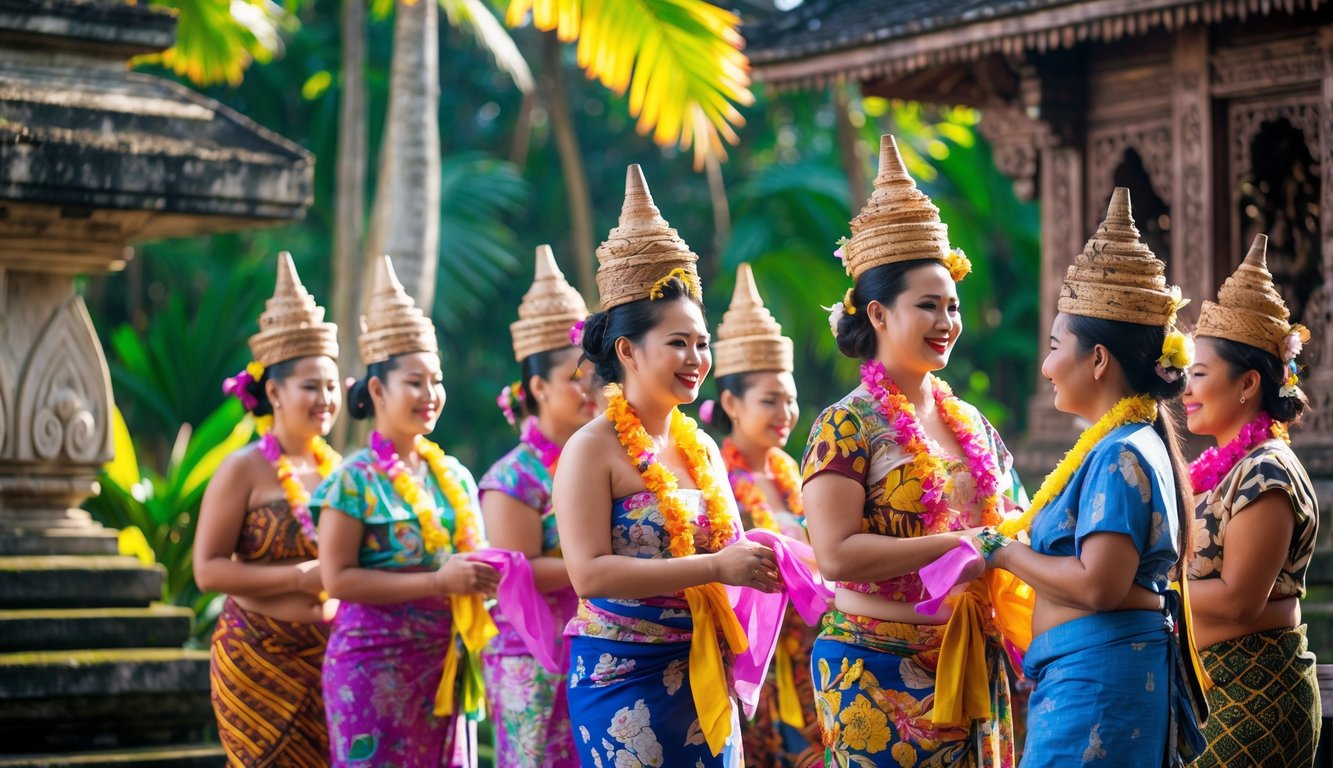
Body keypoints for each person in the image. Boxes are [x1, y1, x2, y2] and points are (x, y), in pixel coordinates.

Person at [556, 165, 782, 768]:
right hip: (621, 680)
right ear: (628, 350)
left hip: (702, 665)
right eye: (678, 342)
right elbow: (589, 575)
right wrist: (715, 565)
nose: (696, 358)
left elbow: (735, 547)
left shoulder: (703, 447)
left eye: (702, 343)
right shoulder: (591, 448)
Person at [801, 135, 1016, 767]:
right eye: (928, 305)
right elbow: (836, 555)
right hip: (873, 673)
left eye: (953, 305)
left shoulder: (972, 422)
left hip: (972, 656)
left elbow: (1010, 525)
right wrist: (961, 547)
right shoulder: (846, 425)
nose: (948, 320)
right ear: (879, 313)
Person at [980, 188, 1205, 766]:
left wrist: (1000, 551)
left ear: (1099, 359)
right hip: (1091, 672)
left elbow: (1099, 586)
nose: (1047, 364)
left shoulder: (1120, 453)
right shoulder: (1123, 442)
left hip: (1098, 681)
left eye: (1056, 346)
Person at [312, 256, 500, 767]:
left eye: (436, 381)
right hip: (373, 670)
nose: (430, 395)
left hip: (446, 663)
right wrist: (439, 583)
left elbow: (475, 559)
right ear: (377, 390)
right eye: (414, 382)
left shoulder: (455, 475)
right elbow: (338, 579)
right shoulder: (353, 480)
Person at [196, 252, 341, 767]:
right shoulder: (243, 469)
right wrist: (301, 578)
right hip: (255, 659)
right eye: (310, 386)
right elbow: (207, 570)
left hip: (330, 658)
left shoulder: (341, 471)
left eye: (330, 385)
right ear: (275, 391)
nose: (325, 398)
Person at [1184, 234, 1320, 766]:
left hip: (1254, 697)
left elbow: (1242, 600)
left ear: (1246, 384)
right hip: (1213, 692)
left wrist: (1137, 593)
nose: (1187, 390)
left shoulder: (1267, 471)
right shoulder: (1220, 471)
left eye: (1199, 375)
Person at [480, 244, 596, 767]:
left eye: (595, 374)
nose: (592, 388)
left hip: (599, 648)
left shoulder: (604, 459)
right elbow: (517, 573)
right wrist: (610, 565)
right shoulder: (512, 477)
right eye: (576, 377)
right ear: (537, 388)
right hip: (533, 660)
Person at [706, 263, 820, 767]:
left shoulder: (793, 470)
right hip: (751, 660)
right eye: (769, 400)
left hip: (808, 654)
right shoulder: (716, 479)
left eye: (791, 400)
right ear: (730, 401)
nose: (785, 413)